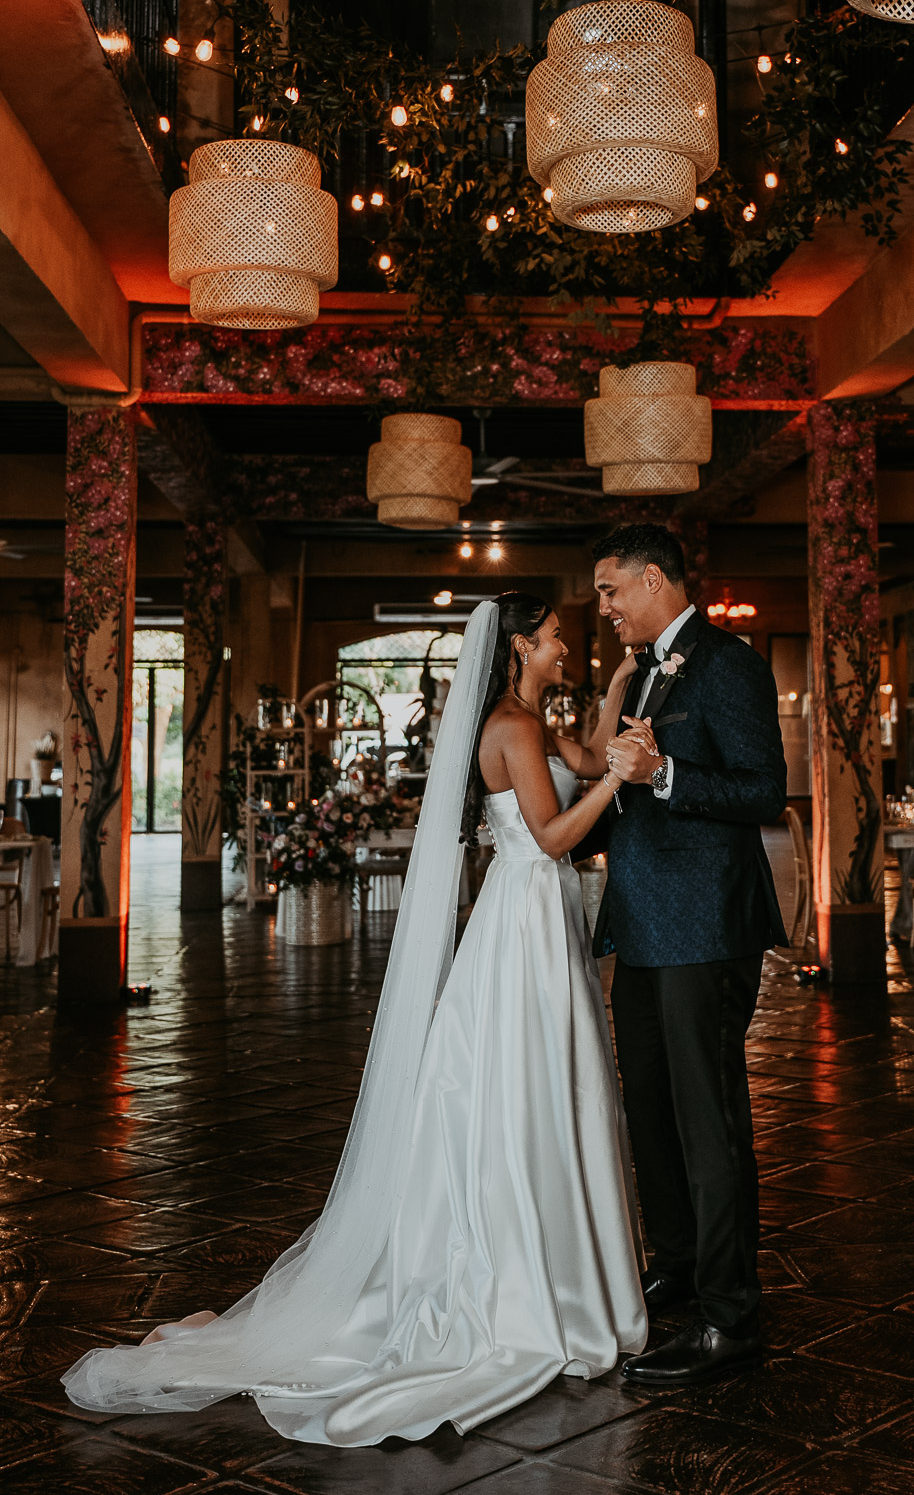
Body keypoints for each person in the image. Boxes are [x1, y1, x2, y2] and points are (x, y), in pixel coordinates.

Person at [63, 595, 647, 1446]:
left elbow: (590, 754)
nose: (570, 645)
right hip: (523, 916)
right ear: (523, 642)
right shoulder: (511, 725)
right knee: (521, 1087)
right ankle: (527, 1281)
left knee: (544, 1085)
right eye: (559, 634)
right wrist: (623, 783)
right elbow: (554, 835)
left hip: (538, 919)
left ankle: (554, 1268)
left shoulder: (535, 718)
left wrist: (622, 688)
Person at [593, 523, 787, 1389]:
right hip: (640, 925)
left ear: (657, 580)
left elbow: (762, 790)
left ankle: (730, 1315)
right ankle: (675, 1263)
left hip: (705, 927)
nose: (604, 609)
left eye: (611, 591)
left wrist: (665, 774)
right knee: (652, 1109)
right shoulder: (640, 671)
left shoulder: (728, 663)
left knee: (709, 1119)